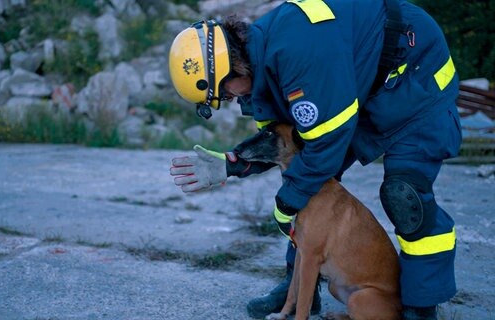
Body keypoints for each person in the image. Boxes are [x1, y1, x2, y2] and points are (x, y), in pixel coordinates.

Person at [167, 0, 462, 319]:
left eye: (223, 94)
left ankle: (420, 305)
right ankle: (300, 287)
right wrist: (232, 163)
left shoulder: (300, 54)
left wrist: (287, 202)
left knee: (406, 197)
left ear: (233, 68)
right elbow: (283, 145)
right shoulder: (260, 65)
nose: (230, 100)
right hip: (361, 86)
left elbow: (325, 148)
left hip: (416, 77)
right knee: (308, 192)